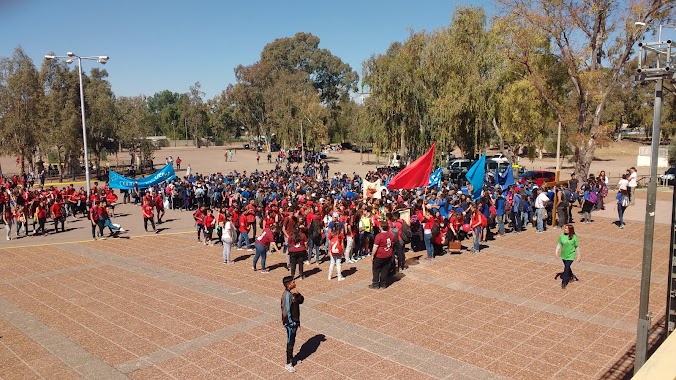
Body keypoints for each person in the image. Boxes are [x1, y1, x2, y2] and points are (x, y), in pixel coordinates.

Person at [281, 276, 304, 373]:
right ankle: (288, 363)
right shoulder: (286, 295)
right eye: (293, 282)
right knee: (290, 342)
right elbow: (286, 311)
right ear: (289, 284)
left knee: (293, 341)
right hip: (290, 324)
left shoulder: (293, 293)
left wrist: (298, 294)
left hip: (295, 321)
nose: (295, 283)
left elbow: (301, 301)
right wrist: (291, 323)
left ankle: (292, 359)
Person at [369, 222, 395, 289]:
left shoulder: (379, 236)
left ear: (381, 227)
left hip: (380, 255)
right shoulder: (391, 235)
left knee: (376, 269)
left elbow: (375, 247)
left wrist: (372, 255)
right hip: (388, 254)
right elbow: (393, 243)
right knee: (385, 269)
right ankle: (383, 284)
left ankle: (375, 284)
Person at [554, 224, 580, 289]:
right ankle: (571, 276)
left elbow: (577, 247)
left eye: (566, 228)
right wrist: (556, 252)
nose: (565, 229)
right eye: (565, 228)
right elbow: (559, 244)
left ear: (570, 230)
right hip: (563, 255)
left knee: (566, 268)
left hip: (571, 255)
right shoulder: (562, 236)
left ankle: (564, 283)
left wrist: (578, 256)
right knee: (567, 267)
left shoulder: (574, 237)